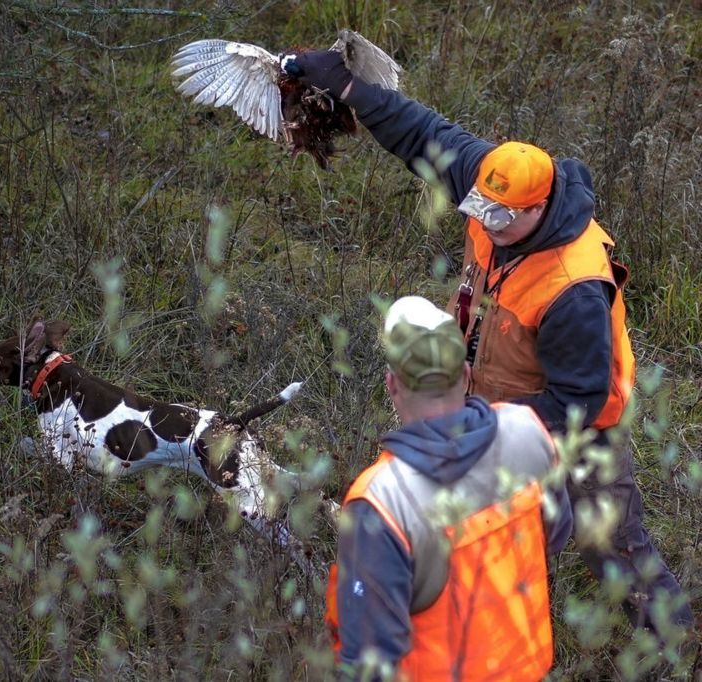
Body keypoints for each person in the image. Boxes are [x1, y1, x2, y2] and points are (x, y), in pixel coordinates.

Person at [283, 50, 695, 635]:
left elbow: (578, 400)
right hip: (496, 405)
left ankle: (675, 645)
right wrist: (348, 86)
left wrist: (480, 424)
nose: (487, 223)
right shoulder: (493, 183)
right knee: (501, 536)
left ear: (538, 207)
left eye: (503, 218)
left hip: (579, 433)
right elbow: (420, 131)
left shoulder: (573, 288)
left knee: (615, 547)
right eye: (482, 208)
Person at [326, 295, 573, 679]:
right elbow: (554, 534)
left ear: (392, 385)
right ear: (467, 376)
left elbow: (369, 663)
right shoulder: (528, 431)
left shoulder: (382, 502)